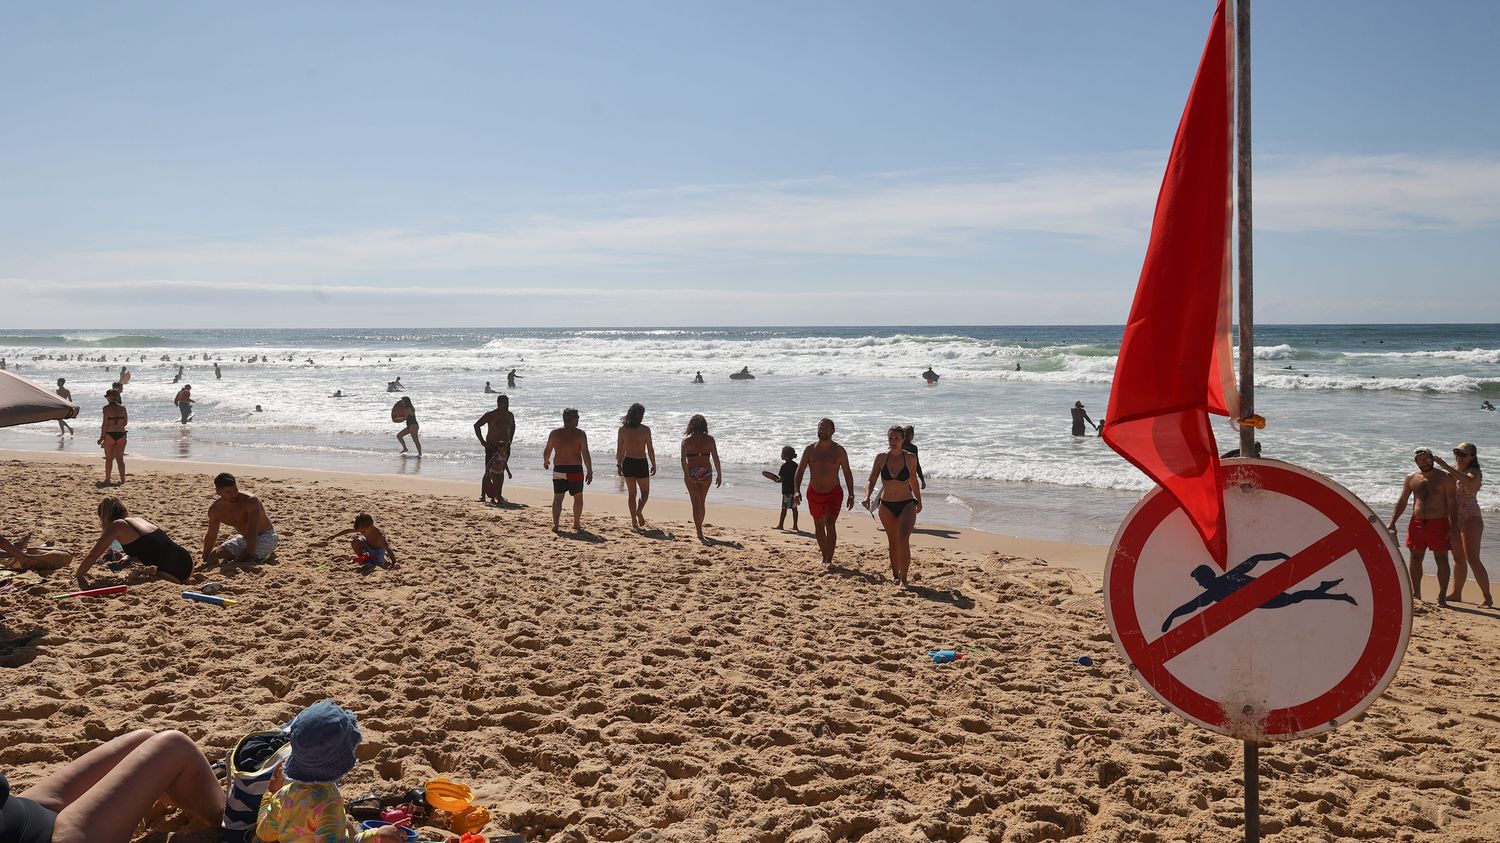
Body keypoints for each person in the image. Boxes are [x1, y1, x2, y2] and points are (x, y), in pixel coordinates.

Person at [0, 728, 226, 843]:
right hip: (54, 839)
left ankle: (211, 798)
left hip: (25, 811)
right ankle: (237, 823)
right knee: (173, 746)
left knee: (142, 740)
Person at [256, 700, 405, 843]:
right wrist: (376, 835)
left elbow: (264, 833)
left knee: (345, 822)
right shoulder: (328, 802)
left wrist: (270, 793)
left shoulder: (283, 795)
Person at [1389, 448, 1457, 606]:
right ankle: (1416, 593)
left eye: (1427, 459)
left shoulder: (1445, 478)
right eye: (1421, 460)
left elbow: (1453, 504)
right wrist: (1392, 521)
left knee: (1441, 558)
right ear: (1416, 461)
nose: (1425, 463)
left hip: (1439, 523)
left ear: (1433, 459)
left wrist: (1454, 528)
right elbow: (1403, 501)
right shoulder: (1411, 478)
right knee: (1415, 558)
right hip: (1417, 522)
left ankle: (1441, 595)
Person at [75, 498, 195, 586]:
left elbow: (94, 554)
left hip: (170, 572)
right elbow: (150, 546)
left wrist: (78, 576)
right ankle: (190, 579)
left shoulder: (116, 526)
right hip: (187, 561)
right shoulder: (138, 520)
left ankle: (183, 581)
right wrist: (128, 558)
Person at [864, 425, 923, 587]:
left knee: (903, 538)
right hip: (887, 505)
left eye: (897, 438)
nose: (893, 441)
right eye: (890, 438)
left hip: (906, 504)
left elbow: (913, 480)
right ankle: (895, 575)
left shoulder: (910, 458)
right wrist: (867, 496)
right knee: (893, 542)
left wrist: (919, 499)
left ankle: (904, 580)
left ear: (903, 439)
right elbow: (872, 479)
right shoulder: (881, 458)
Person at [1435, 443, 1491, 607]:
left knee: (1473, 559)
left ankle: (1487, 597)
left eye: (1462, 453)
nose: (1458, 455)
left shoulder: (1474, 472)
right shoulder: (1452, 470)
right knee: (1458, 559)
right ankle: (1457, 593)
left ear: (1472, 456)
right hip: (1454, 519)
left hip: (1470, 518)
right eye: (1456, 452)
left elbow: (1467, 481)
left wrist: (1445, 466)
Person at [794, 418, 855, 566]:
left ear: (833, 431)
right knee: (819, 526)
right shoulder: (810, 449)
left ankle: (829, 559)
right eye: (820, 428)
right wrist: (796, 491)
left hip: (834, 493)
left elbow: (847, 472)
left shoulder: (839, 451)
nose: (822, 431)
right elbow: (800, 470)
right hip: (814, 493)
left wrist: (851, 494)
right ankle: (824, 555)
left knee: (830, 523)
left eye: (826, 428)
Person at [203, 472, 279, 565]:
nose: (234, 494)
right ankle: (255, 554)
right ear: (218, 491)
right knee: (214, 556)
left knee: (239, 561)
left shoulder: (250, 501)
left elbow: (253, 530)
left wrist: (249, 555)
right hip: (244, 539)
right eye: (228, 492)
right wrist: (206, 557)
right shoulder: (215, 510)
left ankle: (265, 555)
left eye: (235, 489)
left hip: (266, 537)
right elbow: (211, 535)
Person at [542, 408, 592, 533]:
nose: (579, 419)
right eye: (577, 417)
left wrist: (546, 461)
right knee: (578, 498)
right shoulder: (580, 434)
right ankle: (576, 523)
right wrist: (589, 470)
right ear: (572, 419)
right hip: (575, 470)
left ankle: (556, 524)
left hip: (559, 469)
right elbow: (585, 453)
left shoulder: (554, 433)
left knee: (558, 498)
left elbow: (548, 450)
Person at [680, 414, 721, 543]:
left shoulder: (686, 441)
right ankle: (700, 528)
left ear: (691, 426)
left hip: (691, 471)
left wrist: (687, 475)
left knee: (695, 503)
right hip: (706, 472)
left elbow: (683, 460)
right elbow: (715, 458)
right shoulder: (710, 440)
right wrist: (719, 474)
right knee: (702, 502)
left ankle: (699, 531)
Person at [616, 403, 657, 530]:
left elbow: (620, 450)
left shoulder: (622, 430)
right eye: (642, 414)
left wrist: (619, 465)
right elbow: (650, 449)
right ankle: (639, 511)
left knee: (631, 494)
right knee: (645, 492)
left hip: (628, 462)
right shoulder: (645, 430)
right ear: (639, 416)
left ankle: (634, 520)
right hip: (640, 462)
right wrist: (654, 464)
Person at [473, 396, 516, 502]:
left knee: (500, 471)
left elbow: (513, 427)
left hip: (504, 448)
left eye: (507, 402)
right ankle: (483, 495)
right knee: (488, 470)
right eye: (503, 403)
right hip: (492, 446)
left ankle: (498, 495)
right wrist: (483, 442)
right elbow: (477, 425)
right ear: (498, 403)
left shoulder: (510, 415)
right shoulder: (491, 415)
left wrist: (510, 440)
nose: (506, 405)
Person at [319, 513, 397, 566]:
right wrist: (335, 536)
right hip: (367, 542)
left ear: (370, 525)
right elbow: (349, 530)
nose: (360, 531)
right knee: (355, 541)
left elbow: (388, 548)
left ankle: (378, 559)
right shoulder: (363, 528)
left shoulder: (379, 535)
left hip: (377, 549)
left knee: (377, 562)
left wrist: (394, 563)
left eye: (362, 530)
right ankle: (362, 557)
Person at [98, 389, 127, 486]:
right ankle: (122, 480)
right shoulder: (123, 408)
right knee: (120, 459)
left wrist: (102, 437)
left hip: (110, 434)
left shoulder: (106, 408)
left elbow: (105, 424)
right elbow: (125, 423)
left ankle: (107, 479)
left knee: (109, 459)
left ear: (109, 397)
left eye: (107, 397)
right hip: (121, 434)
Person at [776, 446, 799, 531]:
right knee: (794, 508)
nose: (781, 454)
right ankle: (795, 526)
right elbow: (798, 477)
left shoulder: (784, 466)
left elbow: (781, 479)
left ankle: (780, 525)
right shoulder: (796, 465)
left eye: (782, 453)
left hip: (786, 490)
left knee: (784, 508)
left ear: (786, 456)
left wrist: (776, 480)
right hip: (794, 489)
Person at [900, 425, 927, 489]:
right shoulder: (913, 448)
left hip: (896, 476)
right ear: (911, 435)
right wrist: (922, 480)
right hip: (908, 477)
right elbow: (917, 465)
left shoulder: (897, 446)